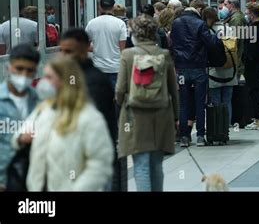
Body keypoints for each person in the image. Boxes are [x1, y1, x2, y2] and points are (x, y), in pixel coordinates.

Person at [25, 56, 114, 191]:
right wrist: (21, 138)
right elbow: (22, 132)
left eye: (49, 77)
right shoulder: (44, 110)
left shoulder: (90, 118)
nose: (43, 82)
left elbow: (100, 164)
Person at [115, 14, 179, 191]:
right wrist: (175, 116)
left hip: (135, 114)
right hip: (162, 113)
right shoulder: (163, 54)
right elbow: (173, 89)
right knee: (156, 165)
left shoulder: (128, 55)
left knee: (141, 165)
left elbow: (120, 89)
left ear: (135, 34)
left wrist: (121, 104)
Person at [59, 28, 123, 191]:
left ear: (85, 49)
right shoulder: (70, 77)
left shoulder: (92, 81)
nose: (64, 56)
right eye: (62, 51)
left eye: (69, 51)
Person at [171, 0, 219, 147]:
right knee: (199, 103)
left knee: (184, 104)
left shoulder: (176, 23)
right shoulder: (200, 24)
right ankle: (199, 136)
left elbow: (172, 44)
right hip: (198, 68)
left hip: (182, 69)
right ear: (197, 12)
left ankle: (184, 137)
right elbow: (212, 43)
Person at [0, 44, 40, 190]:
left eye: (29, 70)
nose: (23, 75)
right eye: (19, 69)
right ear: (8, 68)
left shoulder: (40, 102)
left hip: (32, 181)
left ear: (35, 72)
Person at [85, 0, 128, 92]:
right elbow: (122, 49)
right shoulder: (120, 24)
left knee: (101, 100)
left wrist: (96, 48)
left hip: (98, 68)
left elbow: (85, 46)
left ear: (100, 7)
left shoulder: (92, 23)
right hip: (115, 69)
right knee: (116, 99)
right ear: (113, 7)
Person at [203, 7, 237, 124]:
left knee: (216, 100)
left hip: (214, 70)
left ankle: (218, 128)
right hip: (229, 68)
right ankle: (226, 127)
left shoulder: (207, 31)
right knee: (227, 100)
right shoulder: (227, 28)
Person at [223, 0, 246, 77]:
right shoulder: (235, 17)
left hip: (236, 59)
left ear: (232, 5)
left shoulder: (236, 19)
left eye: (225, 5)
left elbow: (235, 41)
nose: (223, 7)